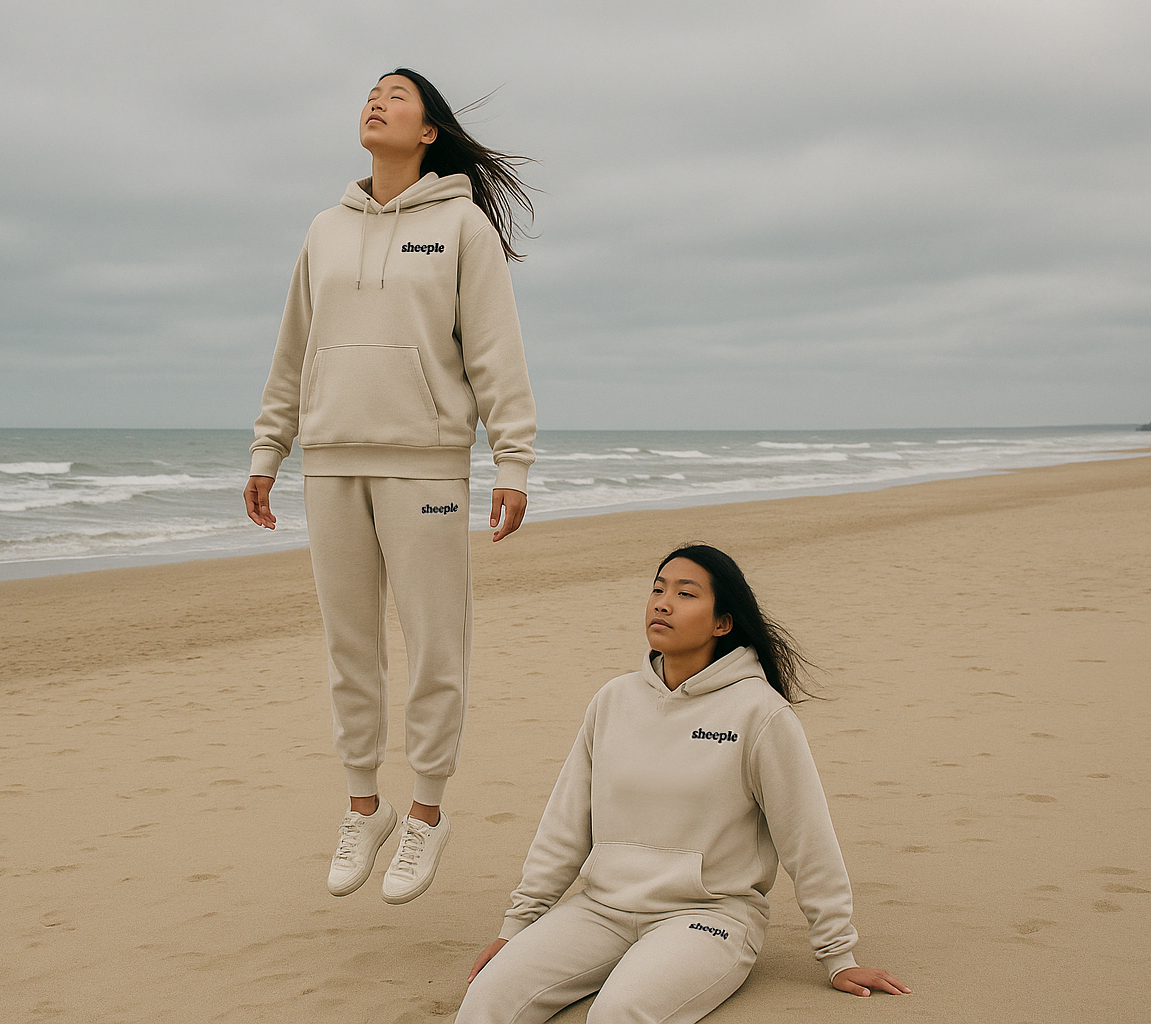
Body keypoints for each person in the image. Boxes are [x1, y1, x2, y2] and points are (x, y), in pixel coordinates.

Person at [244, 69, 538, 905]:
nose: (376, 102)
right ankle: (363, 806)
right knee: (349, 647)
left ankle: (427, 813)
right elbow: (294, 350)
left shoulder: (460, 227)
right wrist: (270, 449)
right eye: (370, 93)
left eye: (397, 96)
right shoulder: (323, 230)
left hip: (426, 463)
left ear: (429, 132)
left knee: (433, 645)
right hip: (331, 460)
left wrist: (511, 458)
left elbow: (494, 352)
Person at [457, 545, 909, 1023]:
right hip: (600, 910)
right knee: (484, 1003)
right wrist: (518, 927)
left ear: (723, 623)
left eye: (685, 593)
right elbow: (564, 825)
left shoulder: (759, 711)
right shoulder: (614, 699)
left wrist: (839, 955)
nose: (662, 603)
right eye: (657, 589)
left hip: (708, 919)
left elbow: (806, 836)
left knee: (615, 1016)